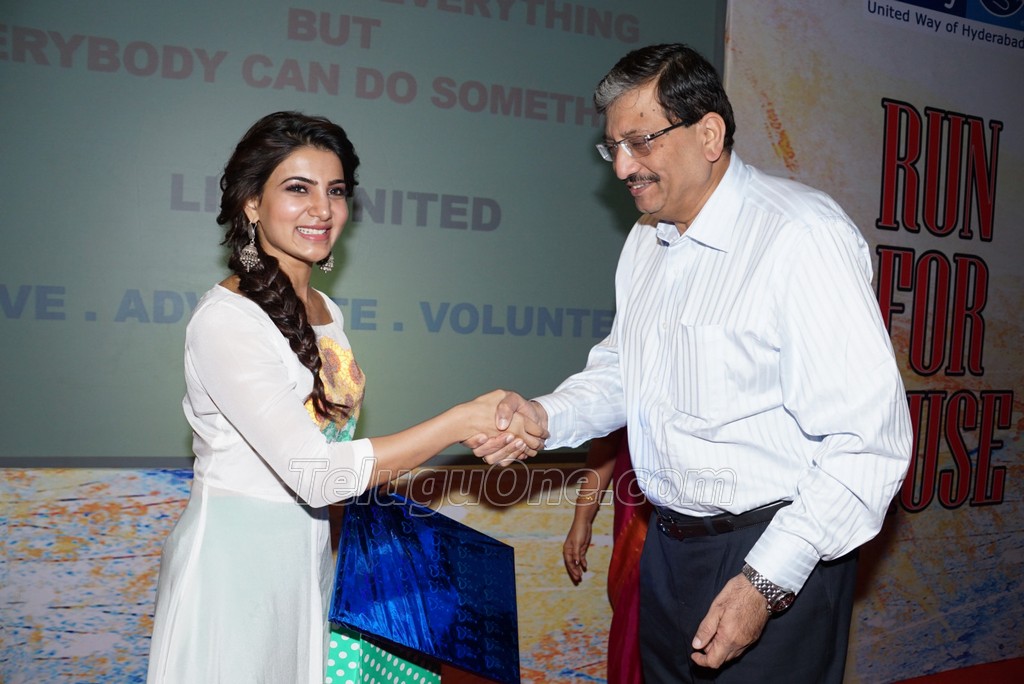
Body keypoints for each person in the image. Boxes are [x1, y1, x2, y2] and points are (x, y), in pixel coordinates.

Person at [475, 44, 912, 683]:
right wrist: (544, 416)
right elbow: (624, 371)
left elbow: (868, 443)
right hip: (668, 552)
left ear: (709, 134)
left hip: (774, 552)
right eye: (613, 147)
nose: (623, 166)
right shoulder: (645, 241)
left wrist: (766, 580)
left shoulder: (800, 236)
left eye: (640, 142)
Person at [145, 111, 543, 684]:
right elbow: (315, 474)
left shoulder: (326, 310)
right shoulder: (227, 321)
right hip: (235, 569)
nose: (322, 209)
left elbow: (332, 452)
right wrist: (458, 422)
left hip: (308, 556)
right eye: (298, 189)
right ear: (251, 203)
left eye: (335, 191)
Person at [562, 428, 650, 684]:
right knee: (636, 616)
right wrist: (583, 518)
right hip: (639, 507)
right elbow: (606, 437)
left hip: (711, 518)